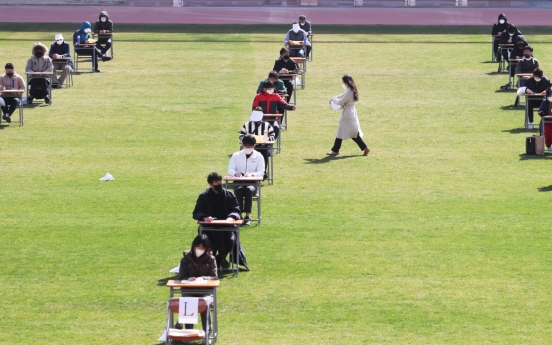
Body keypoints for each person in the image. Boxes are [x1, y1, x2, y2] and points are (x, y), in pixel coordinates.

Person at [192, 172, 241, 269]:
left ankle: (218, 259)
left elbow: (236, 210)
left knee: (231, 241)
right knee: (210, 241)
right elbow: (196, 212)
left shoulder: (229, 195)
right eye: (216, 183)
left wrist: (232, 216)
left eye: (220, 182)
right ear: (210, 185)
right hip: (209, 228)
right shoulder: (204, 196)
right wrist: (204, 217)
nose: (219, 185)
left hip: (227, 227)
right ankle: (220, 259)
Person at [177, 234, 217, 333]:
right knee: (188, 302)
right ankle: (188, 333)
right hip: (189, 290)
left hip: (206, 291)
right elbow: (181, 277)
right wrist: (189, 279)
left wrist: (202, 278)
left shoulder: (211, 259)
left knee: (203, 302)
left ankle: (207, 331)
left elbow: (214, 277)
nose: (200, 249)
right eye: (198, 246)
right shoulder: (185, 260)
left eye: (203, 247)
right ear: (193, 246)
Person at [327, 75, 370, 156]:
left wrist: (333, 100)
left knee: (343, 132)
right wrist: (334, 98)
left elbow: (340, 102)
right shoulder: (350, 90)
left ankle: (335, 150)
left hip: (347, 114)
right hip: (351, 113)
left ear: (346, 82)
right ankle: (364, 148)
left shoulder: (349, 91)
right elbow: (342, 95)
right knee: (351, 132)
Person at [228, 135, 265, 226]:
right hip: (238, 181)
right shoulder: (236, 155)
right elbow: (230, 170)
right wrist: (235, 173)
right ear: (242, 144)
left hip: (252, 183)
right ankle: (239, 215)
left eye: (250, 146)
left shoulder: (259, 156)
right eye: (246, 146)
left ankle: (247, 216)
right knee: (239, 190)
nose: (247, 148)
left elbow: (261, 172)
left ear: (254, 145)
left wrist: (253, 174)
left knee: (248, 190)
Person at [239, 109, 275, 178]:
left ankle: (263, 172)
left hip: (263, 147)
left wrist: (267, 139)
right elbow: (241, 136)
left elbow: (272, 135)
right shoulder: (246, 125)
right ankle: (244, 172)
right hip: (249, 146)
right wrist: (247, 139)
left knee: (264, 153)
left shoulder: (267, 125)